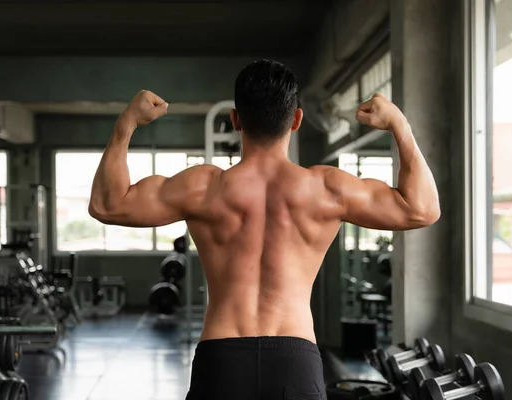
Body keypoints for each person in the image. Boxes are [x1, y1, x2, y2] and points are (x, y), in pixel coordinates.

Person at [88, 59, 440, 400]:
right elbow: (422, 209)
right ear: (297, 119)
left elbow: (106, 205)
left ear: (236, 120)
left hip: (221, 358)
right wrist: (398, 124)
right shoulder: (326, 189)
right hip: (295, 359)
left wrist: (128, 123)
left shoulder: (201, 187)